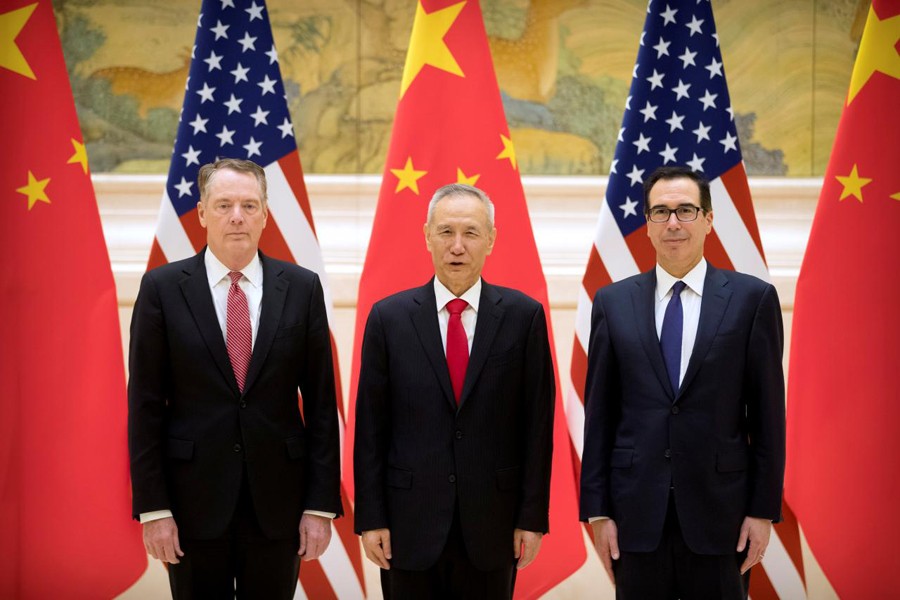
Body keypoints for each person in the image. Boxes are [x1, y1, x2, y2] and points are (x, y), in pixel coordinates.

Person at [127, 158, 341, 598]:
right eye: (224, 205)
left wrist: (319, 506)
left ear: (265, 214)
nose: (237, 217)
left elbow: (321, 404)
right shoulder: (162, 289)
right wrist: (154, 509)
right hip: (190, 505)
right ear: (203, 213)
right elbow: (144, 407)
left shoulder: (302, 288)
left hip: (278, 505)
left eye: (249, 204)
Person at [580, 166, 785, 599]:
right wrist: (597, 512)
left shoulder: (752, 300)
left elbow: (768, 418)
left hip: (723, 517)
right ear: (648, 225)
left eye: (686, 210)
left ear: (708, 221)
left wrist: (762, 511)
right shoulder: (612, 302)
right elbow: (600, 415)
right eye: (661, 212)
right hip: (635, 516)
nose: (673, 222)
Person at [353, 183, 555, 599]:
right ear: (427, 236)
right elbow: (371, 429)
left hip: (493, 527)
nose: (457, 246)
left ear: (491, 240)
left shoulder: (524, 317)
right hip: (407, 527)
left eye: (471, 233)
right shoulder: (388, 318)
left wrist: (531, 519)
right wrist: (372, 518)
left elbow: (537, 428)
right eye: (446, 232)